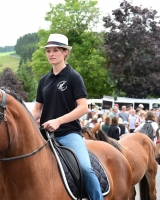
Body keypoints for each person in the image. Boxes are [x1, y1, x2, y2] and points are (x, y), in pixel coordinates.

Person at [31, 33, 102, 200]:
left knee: (85, 168)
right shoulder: (44, 80)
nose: (51, 54)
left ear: (65, 52)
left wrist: (59, 120)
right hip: (45, 135)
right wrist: (27, 120)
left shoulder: (73, 77)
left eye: (55, 50)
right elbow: (37, 109)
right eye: (48, 51)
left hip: (68, 133)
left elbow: (83, 108)